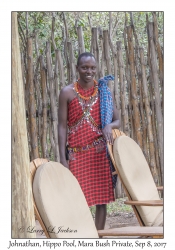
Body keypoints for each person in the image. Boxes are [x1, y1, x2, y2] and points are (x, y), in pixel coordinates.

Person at [58, 52, 120, 230]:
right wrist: (63, 159)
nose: (89, 71)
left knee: (102, 200)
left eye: (92, 68)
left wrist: (109, 126)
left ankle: (98, 237)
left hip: (99, 153)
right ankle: (82, 235)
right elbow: (62, 126)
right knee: (77, 199)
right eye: (84, 67)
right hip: (77, 154)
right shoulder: (67, 93)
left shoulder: (103, 91)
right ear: (77, 68)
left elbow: (118, 120)